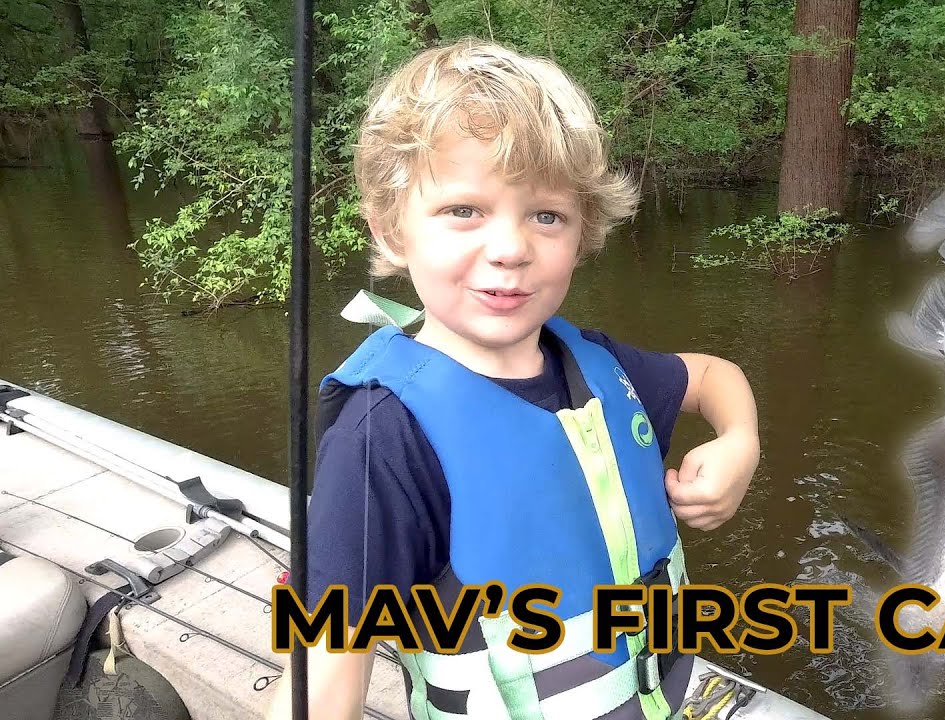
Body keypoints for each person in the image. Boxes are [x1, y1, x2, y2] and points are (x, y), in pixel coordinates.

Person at [265, 36, 760, 720]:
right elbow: (325, 676)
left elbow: (711, 376)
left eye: (546, 215)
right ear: (391, 230)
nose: (509, 249)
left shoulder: (597, 364)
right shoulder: (382, 438)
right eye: (463, 210)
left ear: (582, 235)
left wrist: (740, 441)